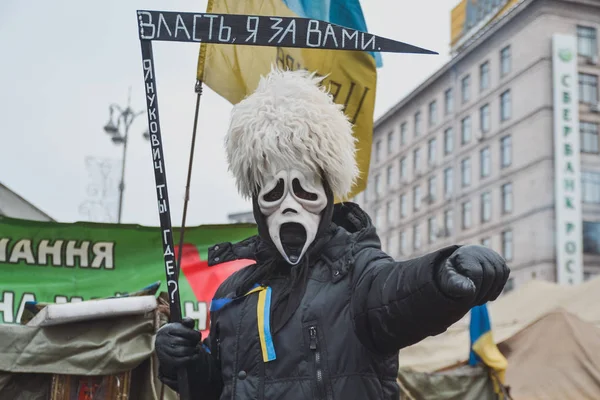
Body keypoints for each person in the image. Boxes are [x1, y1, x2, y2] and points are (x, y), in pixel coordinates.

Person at [155, 68, 510, 399]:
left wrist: (440, 275)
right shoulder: (233, 293)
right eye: (274, 193)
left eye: (305, 190)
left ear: (328, 196)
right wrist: (183, 361)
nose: (290, 206)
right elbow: (217, 386)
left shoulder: (358, 274)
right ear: (256, 202)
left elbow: (399, 293)